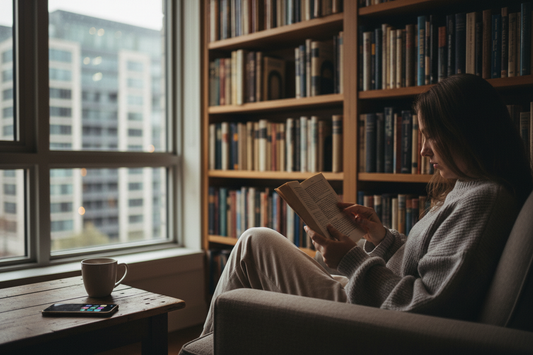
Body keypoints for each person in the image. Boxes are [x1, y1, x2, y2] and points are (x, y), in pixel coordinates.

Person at [201, 73, 533, 336]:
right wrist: (381, 237)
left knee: (254, 243)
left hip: (372, 319)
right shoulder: (471, 188)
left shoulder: (483, 200)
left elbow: (425, 307)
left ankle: (202, 349)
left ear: (467, 133)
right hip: (372, 301)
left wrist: (350, 258)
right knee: (256, 242)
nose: (423, 151)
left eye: (431, 135)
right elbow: (424, 268)